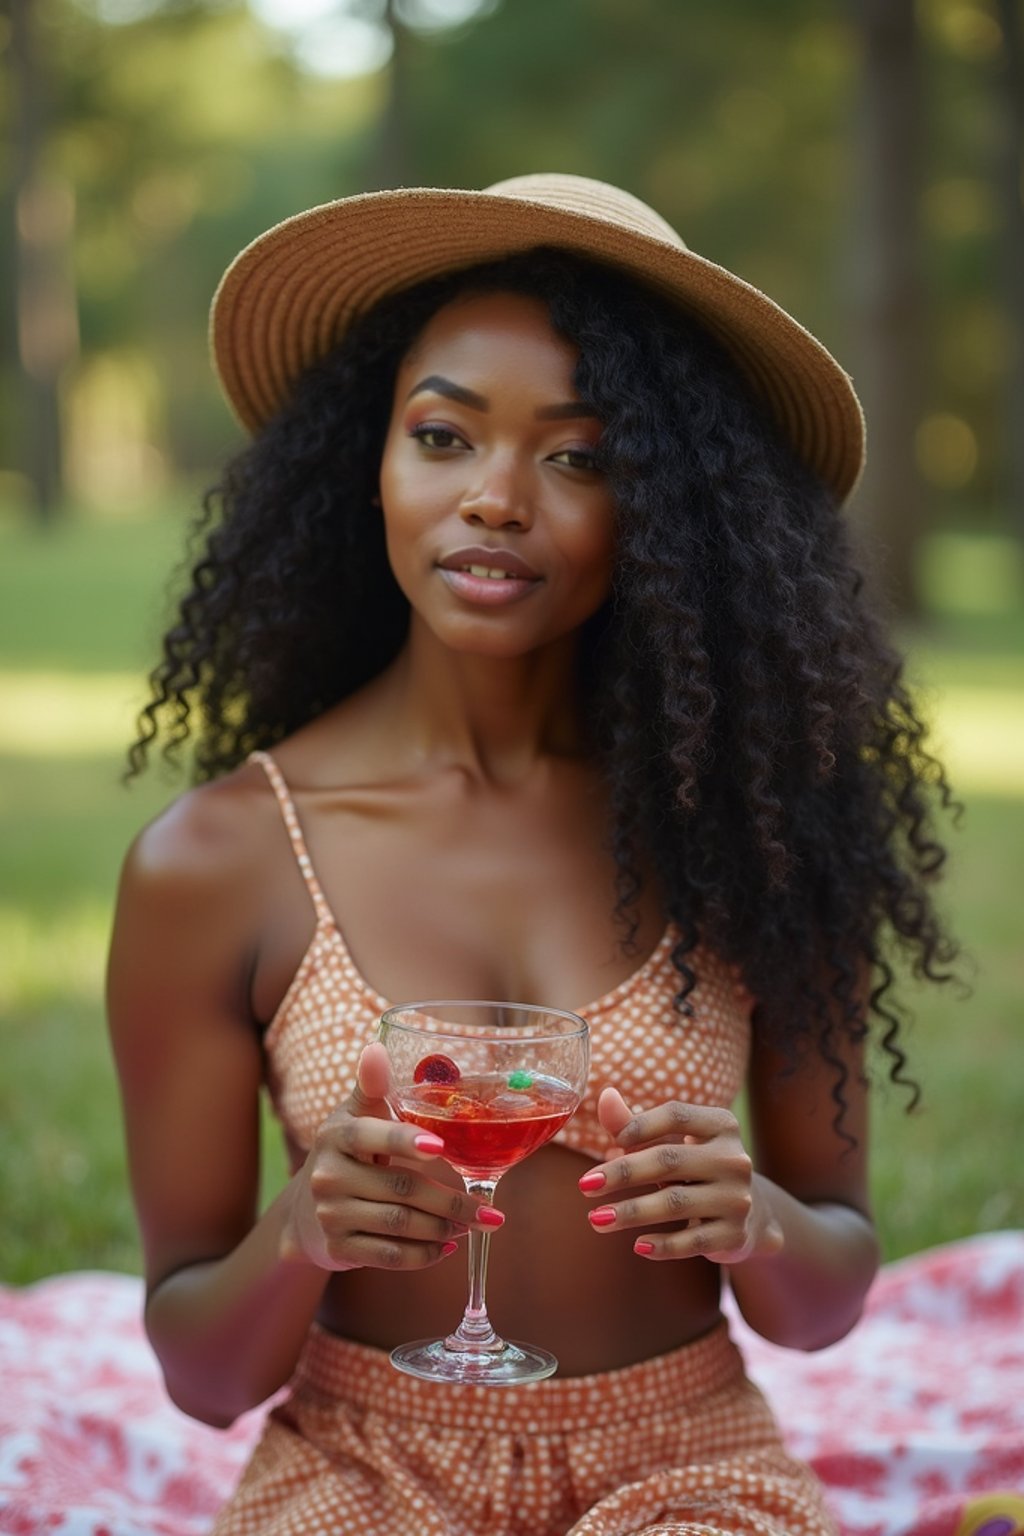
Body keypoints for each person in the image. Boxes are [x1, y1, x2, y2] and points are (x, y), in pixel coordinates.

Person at [108, 173, 957, 1535]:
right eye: (444, 437)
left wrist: (762, 1224)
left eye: (580, 456)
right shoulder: (215, 862)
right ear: (368, 463)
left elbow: (829, 1295)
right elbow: (205, 1376)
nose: (496, 498)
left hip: (682, 1459)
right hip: (362, 1472)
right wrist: (296, 1237)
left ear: (673, 514)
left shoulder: (751, 829)